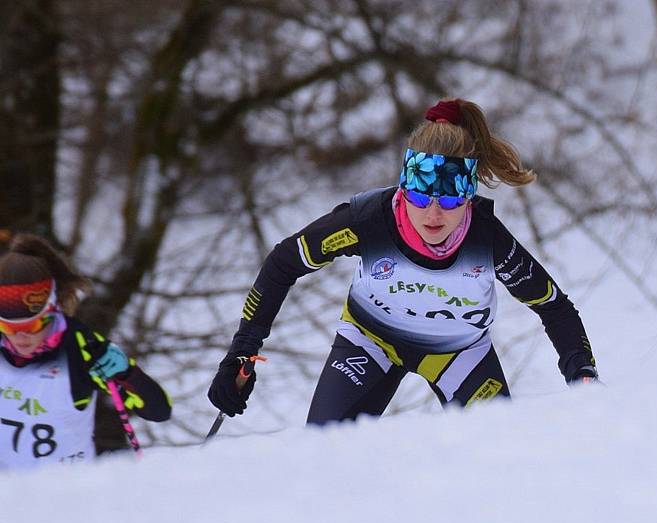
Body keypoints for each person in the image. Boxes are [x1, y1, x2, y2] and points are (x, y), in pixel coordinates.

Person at [208, 98, 599, 426]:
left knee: (501, 461)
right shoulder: (367, 221)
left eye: (448, 201)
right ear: (403, 187)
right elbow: (283, 263)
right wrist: (241, 352)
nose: (433, 214)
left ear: (467, 198)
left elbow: (554, 308)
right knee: (324, 453)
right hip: (370, 341)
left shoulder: (487, 239)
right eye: (418, 197)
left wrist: (582, 375)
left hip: (459, 354)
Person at [0, 234, 171, 468]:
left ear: (51, 309)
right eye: (7, 326)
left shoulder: (81, 347)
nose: (21, 337)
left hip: (67, 492)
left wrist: (126, 374)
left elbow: (158, 410)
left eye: (32, 325)